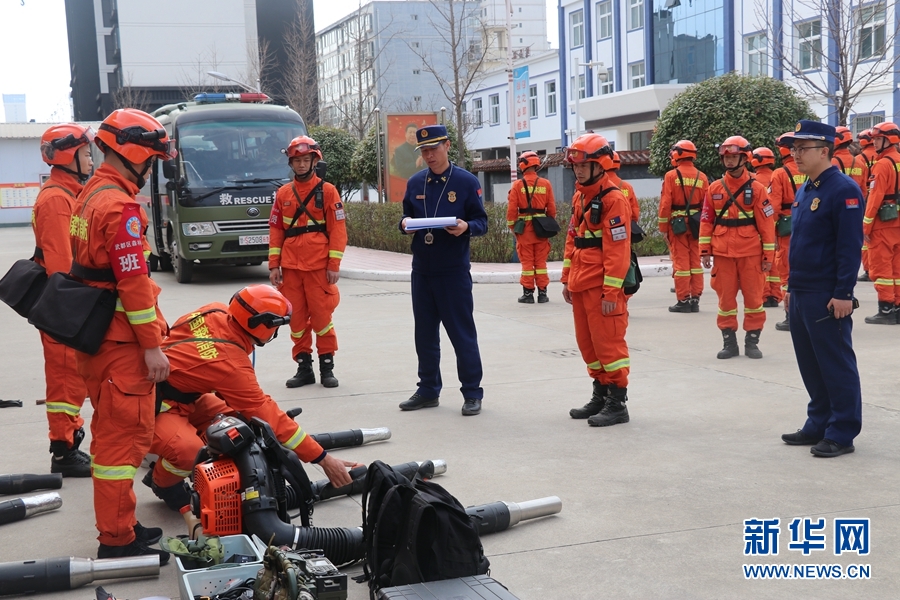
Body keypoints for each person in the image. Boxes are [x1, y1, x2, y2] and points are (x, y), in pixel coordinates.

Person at [145, 285, 360, 510]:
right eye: (276, 325)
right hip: (153, 405)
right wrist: (323, 459)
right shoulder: (231, 365)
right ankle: (162, 483)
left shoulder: (215, 311)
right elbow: (266, 412)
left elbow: (208, 369)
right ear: (260, 323)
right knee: (188, 451)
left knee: (239, 423)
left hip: (181, 395)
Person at [71, 108, 175, 563]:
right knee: (121, 444)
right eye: (152, 158)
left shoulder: (91, 194)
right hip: (122, 347)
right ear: (135, 154)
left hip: (96, 340)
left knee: (111, 434)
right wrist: (152, 346)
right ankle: (117, 541)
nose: (153, 167)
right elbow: (132, 285)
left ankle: (123, 524)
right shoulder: (120, 207)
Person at [780, 120, 863, 458]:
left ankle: (842, 431)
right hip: (802, 289)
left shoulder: (843, 189)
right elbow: (800, 242)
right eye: (794, 148)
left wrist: (844, 292)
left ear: (825, 151)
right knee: (810, 363)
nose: (795, 154)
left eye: (802, 148)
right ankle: (819, 421)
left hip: (827, 294)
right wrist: (790, 287)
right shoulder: (807, 188)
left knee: (835, 363)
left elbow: (849, 246)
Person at [397, 125, 488, 416]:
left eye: (434, 149)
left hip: (452, 272)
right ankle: (427, 390)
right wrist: (403, 224)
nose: (429, 155)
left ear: (447, 146)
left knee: (462, 334)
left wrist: (465, 227)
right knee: (424, 335)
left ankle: (472, 393)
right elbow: (406, 215)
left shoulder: (464, 181)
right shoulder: (415, 183)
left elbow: (481, 222)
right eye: (424, 151)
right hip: (422, 270)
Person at [33, 124, 94, 477]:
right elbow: (62, 264)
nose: (90, 160)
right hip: (63, 304)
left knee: (71, 377)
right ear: (68, 157)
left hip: (64, 302)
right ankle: (64, 449)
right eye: (85, 154)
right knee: (65, 380)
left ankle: (68, 441)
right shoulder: (57, 198)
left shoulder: (67, 192)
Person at [563, 134, 632, 427]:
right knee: (587, 344)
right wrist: (566, 278)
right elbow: (572, 239)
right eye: (576, 166)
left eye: (585, 165)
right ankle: (600, 394)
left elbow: (618, 250)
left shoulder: (614, 199)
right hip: (580, 282)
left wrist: (611, 291)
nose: (578, 170)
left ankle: (617, 403)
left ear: (600, 165)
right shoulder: (580, 196)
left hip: (602, 286)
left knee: (608, 345)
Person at [269, 136, 347, 387]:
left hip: (318, 266)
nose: (301, 165)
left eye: (306, 160)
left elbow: (338, 229)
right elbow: (276, 231)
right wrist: (274, 265)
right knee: (297, 320)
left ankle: (327, 367)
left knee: (322, 317)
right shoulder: (282, 194)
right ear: (291, 163)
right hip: (291, 267)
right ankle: (304, 367)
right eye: (297, 161)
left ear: (315, 161)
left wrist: (333, 265)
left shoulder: (328, 191)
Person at [699, 136, 775, 359]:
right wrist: (704, 251)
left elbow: (767, 225)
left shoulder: (759, 189)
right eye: (726, 157)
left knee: (753, 300)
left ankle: (752, 341)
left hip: (751, 253)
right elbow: (705, 220)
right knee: (725, 301)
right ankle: (729, 343)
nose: (729, 161)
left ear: (745, 158)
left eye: (733, 157)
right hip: (722, 254)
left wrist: (768, 256)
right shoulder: (714, 188)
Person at [657, 140, 709, 313]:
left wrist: (663, 228)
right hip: (696, 225)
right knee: (695, 262)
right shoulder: (702, 177)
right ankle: (695, 298)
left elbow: (666, 204)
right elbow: (707, 206)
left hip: (677, 226)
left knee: (681, 263)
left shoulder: (671, 176)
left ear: (677, 154)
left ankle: (683, 299)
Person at [767, 132, 808, 328]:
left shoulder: (780, 174)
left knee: (787, 273)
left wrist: (771, 232)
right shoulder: (811, 170)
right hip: (809, 226)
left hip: (787, 230)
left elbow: (773, 208)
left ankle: (791, 315)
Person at [862, 121, 900, 324]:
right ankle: (897, 308)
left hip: (883, 225)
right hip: (897, 224)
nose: (874, 142)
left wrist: (866, 226)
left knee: (881, 268)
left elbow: (874, 197)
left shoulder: (882, 164)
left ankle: (886, 309)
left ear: (888, 140)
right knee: (897, 269)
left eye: (877, 139)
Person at [507, 151, 556, 304]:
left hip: (525, 232)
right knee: (541, 262)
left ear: (523, 164)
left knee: (527, 263)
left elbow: (511, 211)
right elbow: (552, 210)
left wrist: (513, 229)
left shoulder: (517, 185)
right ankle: (543, 293)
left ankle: (528, 294)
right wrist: (547, 225)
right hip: (541, 230)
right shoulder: (546, 184)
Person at [857, 129, 877, 282]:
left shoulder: (860, 159)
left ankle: (868, 268)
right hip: (888, 205)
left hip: (870, 199)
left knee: (866, 238)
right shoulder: (883, 157)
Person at [831, 126, 869, 197]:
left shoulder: (830, 163)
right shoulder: (860, 163)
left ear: (835, 142)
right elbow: (864, 191)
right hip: (855, 203)